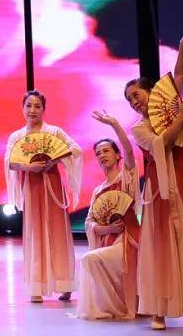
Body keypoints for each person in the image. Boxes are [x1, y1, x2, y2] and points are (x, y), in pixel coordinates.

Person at [127, 17, 183, 330]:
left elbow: (180, 75)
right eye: (130, 100)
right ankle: (159, 309)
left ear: (152, 92)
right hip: (160, 189)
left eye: (137, 95)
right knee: (163, 243)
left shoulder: (169, 106)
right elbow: (165, 143)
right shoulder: (139, 128)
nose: (134, 102)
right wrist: (182, 116)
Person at [4, 89, 81, 304]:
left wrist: (53, 161)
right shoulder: (17, 136)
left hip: (52, 186)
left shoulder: (54, 132)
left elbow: (74, 149)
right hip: (31, 187)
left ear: (44, 109)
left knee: (58, 232)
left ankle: (64, 284)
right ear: (23, 108)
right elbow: (9, 161)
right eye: (29, 106)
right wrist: (27, 166)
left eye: (37, 106)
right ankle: (36, 286)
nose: (33, 110)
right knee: (34, 233)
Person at [78, 111, 139, 321]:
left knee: (90, 259)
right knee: (92, 260)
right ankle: (111, 306)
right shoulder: (98, 190)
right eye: (98, 153)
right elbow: (89, 222)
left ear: (117, 155)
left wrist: (114, 124)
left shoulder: (126, 180)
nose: (102, 155)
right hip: (109, 240)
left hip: (128, 242)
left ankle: (118, 308)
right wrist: (107, 229)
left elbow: (129, 150)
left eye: (106, 151)